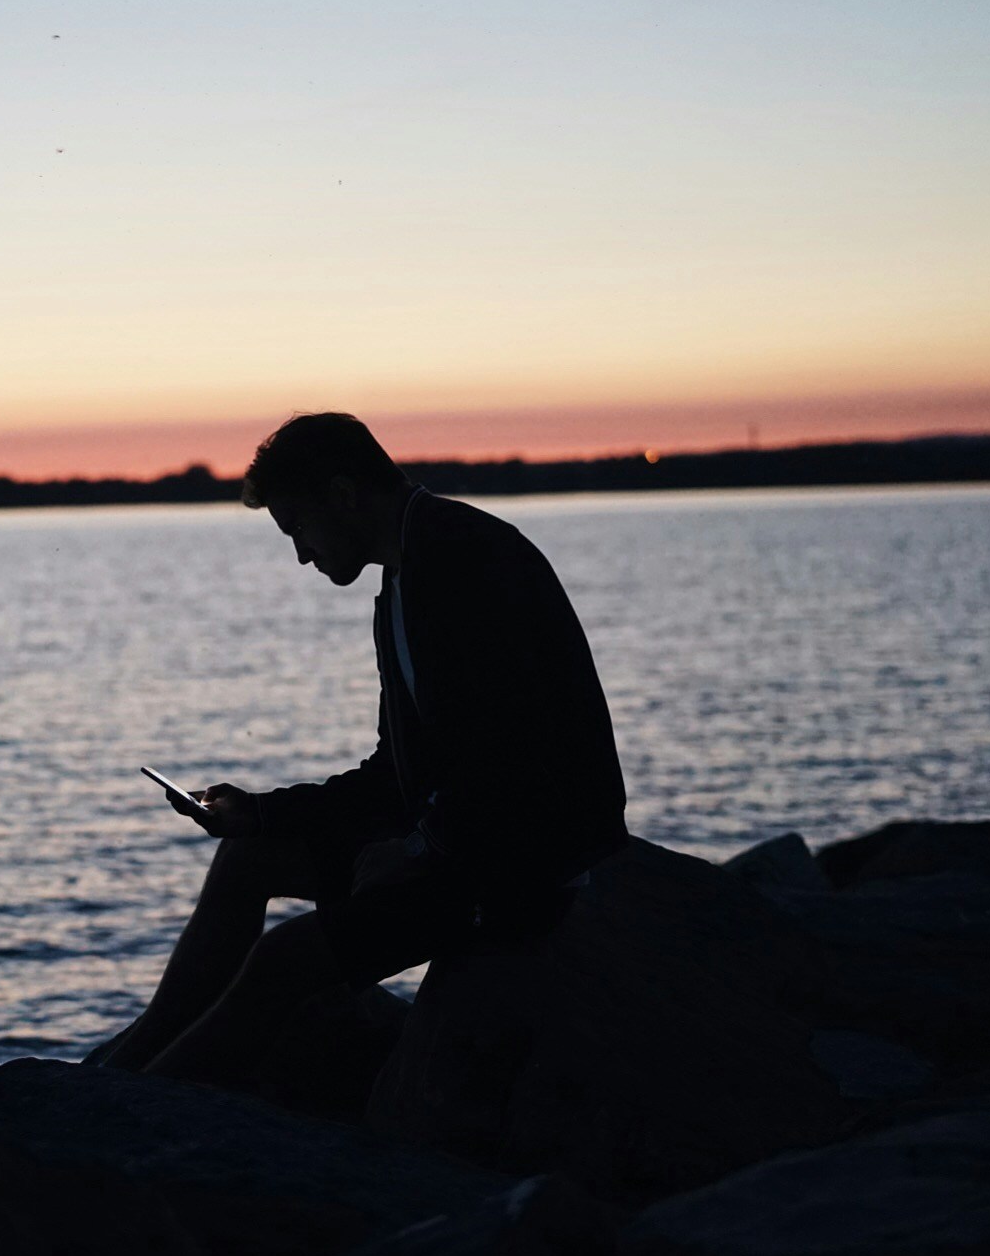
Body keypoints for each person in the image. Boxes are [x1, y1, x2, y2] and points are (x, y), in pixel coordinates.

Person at [102, 412, 628, 1087]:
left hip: (521, 865)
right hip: (459, 844)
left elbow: (512, 765)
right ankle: (131, 1065)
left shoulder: (466, 561)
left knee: (286, 961)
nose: (300, 555)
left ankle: (141, 1107)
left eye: (298, 530)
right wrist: (259, 813)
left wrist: (417, 853)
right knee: (246, 859)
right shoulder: (405, 579)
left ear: (344, 496)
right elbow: (394, 776)